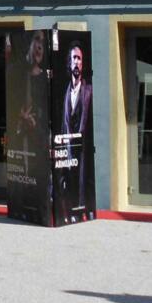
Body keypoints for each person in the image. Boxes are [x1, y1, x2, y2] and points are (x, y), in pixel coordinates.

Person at [57, 40, 93, 222]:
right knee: (69, 183)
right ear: (69, 63)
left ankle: (83, 211)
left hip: (84, 152)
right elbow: (64, 125)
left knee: (83, 185)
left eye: (79, 58)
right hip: (69, 152)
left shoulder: (89, 91)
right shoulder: (65, 93)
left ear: (83, 63)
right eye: (74, 58)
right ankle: (71, 213)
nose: (77, 62)